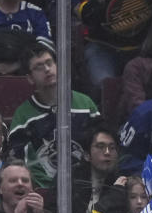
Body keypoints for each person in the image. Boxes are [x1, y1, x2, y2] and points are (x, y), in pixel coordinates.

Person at [8, 44, 101, 190]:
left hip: (86, 187)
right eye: (38, 67)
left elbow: (100, 147)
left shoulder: (85, 104)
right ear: (30, 78)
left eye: (49, 63)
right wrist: (48, 190)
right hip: (43, 193)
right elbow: (21, 164)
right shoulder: (23, 116)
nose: (46, 69)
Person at [70, 126, 123, 213]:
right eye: (100, 147)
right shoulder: (70, 180)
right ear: (87, 155)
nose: (107, 152)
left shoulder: (121, 186)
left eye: (112, 147)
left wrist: (115, 194)